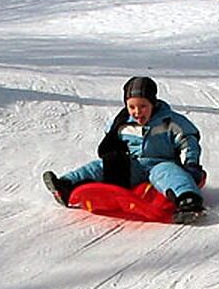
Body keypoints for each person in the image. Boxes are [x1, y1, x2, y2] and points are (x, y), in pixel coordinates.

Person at [43, 76, 205, 217]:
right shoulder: (123, 122)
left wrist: (191, 165)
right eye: (132, 107)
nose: (137, 112)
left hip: (162, 163)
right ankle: (66, 185)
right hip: (134, 165)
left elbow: (188, 143)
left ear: (153, 104)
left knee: (171, 174)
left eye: (143, 106)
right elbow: (110, 140)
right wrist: (113, 157)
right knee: (101, 166)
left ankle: (188, 199)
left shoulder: (170, 122)